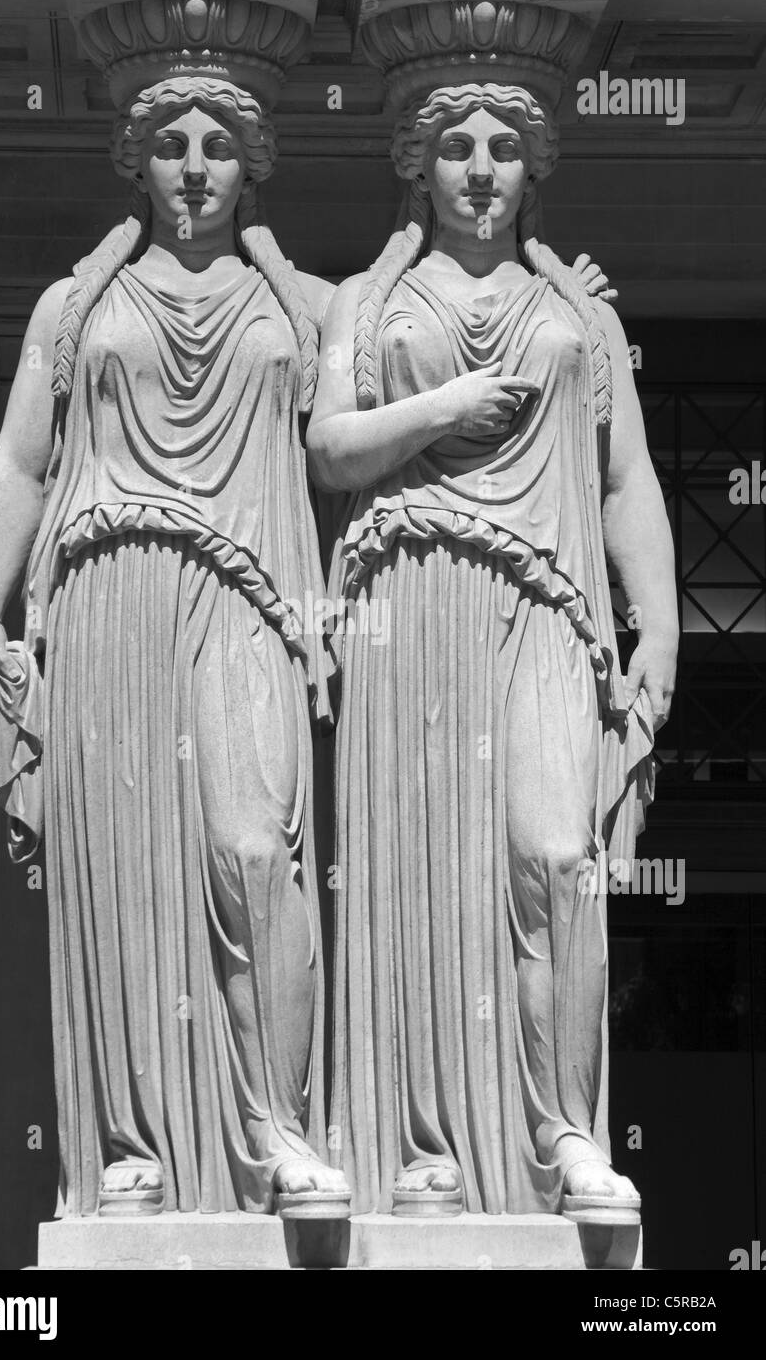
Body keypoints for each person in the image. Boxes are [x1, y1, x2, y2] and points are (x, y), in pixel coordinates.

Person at [0, 73, 350, 1218]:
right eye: (173, 142)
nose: (194, 162)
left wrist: (533, 272)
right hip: (104, 593)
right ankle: (133, 1147)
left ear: (253, 161)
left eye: (219, 144)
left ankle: (276, 1122)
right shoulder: (73, 306)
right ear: (138, 159)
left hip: (250, 597)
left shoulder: (304, 308)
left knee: (250, 848)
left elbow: (398, 339)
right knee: (124, 876)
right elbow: (24, 463)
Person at [307, 82, 678, 1217]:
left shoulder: (579, 310)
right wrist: (439, 408)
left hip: (549, 607)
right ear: (417, 164)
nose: (479, 166)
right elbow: (328, 448)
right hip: (409, 598)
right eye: (457, 147)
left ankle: (563, 1131)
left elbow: (623, 477)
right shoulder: (366, 303)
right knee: (416, 869)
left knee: (554, 856)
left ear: (533, 164)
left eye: (503, 147)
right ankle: (423, 1144)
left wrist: (654, 627)